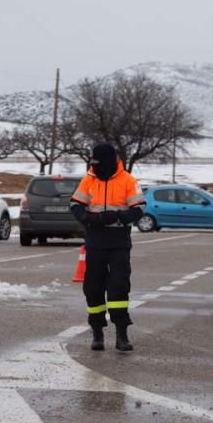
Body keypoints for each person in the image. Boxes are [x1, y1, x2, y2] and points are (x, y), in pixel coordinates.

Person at [69, 143, 145, 352]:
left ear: (111, 161)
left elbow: (139, 208)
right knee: (93, 288)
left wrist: (119, 216)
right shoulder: (89, 179)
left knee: (119, 286)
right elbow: (75, 205)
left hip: (119, 242)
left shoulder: (128, 180)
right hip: (95, 241)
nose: (96, 166)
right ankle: (97, 332)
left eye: (99, 162)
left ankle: (122, 334)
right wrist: (90, 218)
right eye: (93, 163)